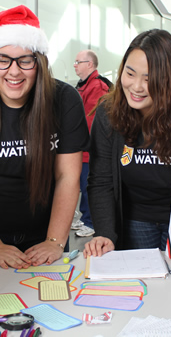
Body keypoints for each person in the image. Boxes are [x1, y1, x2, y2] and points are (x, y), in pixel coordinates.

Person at [0, 5, 89, 270]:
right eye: (3, 59)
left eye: (25, 60)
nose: (14, 71)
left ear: (40, 62)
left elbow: (68, 175)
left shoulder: (64, 100)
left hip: (47, 234)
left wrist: (55, 240)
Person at [83, 29, 171, 258]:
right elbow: (101, 180)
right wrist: (105, 233)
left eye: (149, 79)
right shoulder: (108, 113)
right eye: (130, 73)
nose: (137, 87)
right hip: (135, 219)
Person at [71, 50, 110, 238]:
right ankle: (86, 217)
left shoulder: (97, 87)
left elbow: (94, 119)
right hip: (83, 147)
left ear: (90, 64)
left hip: (90, 148)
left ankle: (91, 222)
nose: (74, 65)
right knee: (83, 184)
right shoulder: (85, 85)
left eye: (78, 61)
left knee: (89, 186)